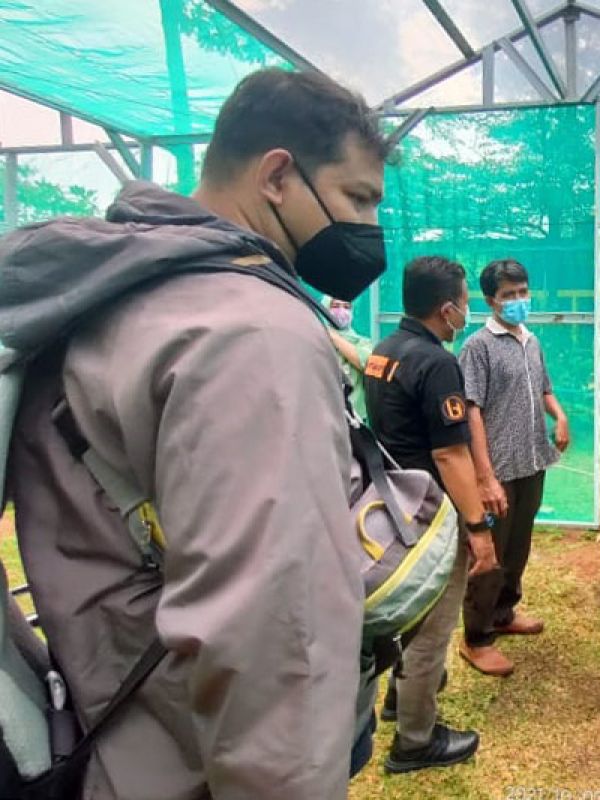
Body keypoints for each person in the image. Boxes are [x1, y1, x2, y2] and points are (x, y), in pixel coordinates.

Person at [1, 68, 388, 797]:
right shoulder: (250, 332)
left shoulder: (110, 285)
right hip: (196, 761)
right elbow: (278, 635)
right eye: (357, 197)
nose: (370, 230)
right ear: (278, 175)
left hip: (109, 728)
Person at [363, 255, 499, 773]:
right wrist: (477, 528)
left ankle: (399, 704)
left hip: (395, 503)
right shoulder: (438, 362)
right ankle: (415, 742)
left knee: (409, 617)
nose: (468, 310)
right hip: (433, 513)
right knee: (432, 631)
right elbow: (450, 454)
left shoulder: (384, 350)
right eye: (466, 302)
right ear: (447, 309)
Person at [457, 259, 570, 676]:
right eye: (509, 295)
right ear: (490, 301)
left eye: (523, 291)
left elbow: (544, 388)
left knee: (518, 543)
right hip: (498, 468)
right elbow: (471, 411)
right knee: (491, 551)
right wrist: (484, 477)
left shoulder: (531, 340)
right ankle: (477, 636)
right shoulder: (477, 347)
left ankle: (504, 614)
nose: (519, 300)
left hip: (532, 460)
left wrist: (558, 416)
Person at [325, 295, 375, 422]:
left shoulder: (362, 343)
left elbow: (366, 363)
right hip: (325, 417)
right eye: (335, 306)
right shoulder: (317, 338)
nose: (341, 311)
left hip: (355, 419)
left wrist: (333, 337)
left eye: (347, 307)